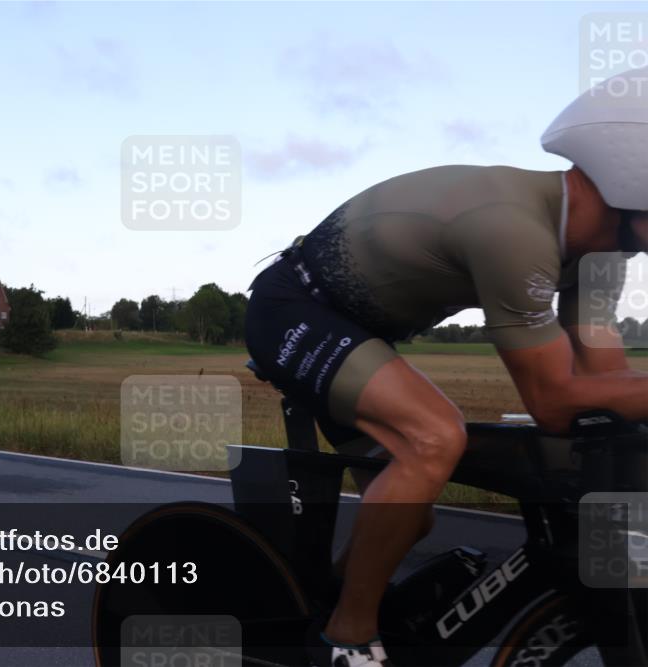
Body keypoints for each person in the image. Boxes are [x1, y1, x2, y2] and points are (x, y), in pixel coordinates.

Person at [244, 68, 648, 667]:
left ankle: (320, 604)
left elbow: (604, 387)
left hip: (361, 331)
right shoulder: (514, 230)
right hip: (294, 309)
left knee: (411, 521)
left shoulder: (599, 256)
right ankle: (346, 641)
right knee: (434, 437)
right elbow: (555, 400)